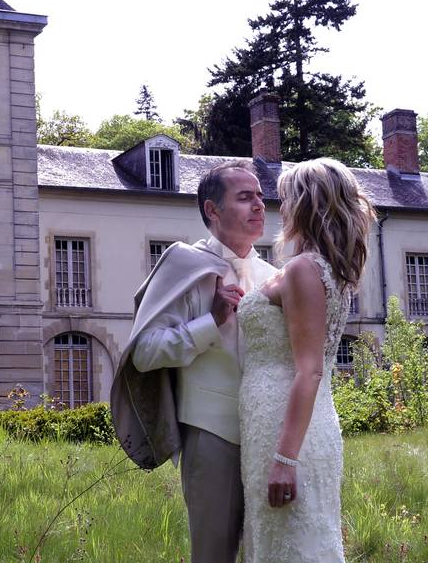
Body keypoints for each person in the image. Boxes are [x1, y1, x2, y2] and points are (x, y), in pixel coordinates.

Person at [110, 160, 277, 563]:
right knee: (214, 555)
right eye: (244, 197)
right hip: (210, 434)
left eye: (259, 196)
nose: (259, 205)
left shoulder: (274, 273)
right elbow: (144, 352)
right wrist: (210, 322)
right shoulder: (182, 264)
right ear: (212, 210)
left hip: (267, 437)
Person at [237, 158, 375, 562]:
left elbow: (310, 368)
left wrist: (284, 458)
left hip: (286, 429)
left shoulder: (302, 270)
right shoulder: (324, 270)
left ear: (305, 204)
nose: (281, 209)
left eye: (286, 199)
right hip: (284, 422)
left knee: (291, 543)